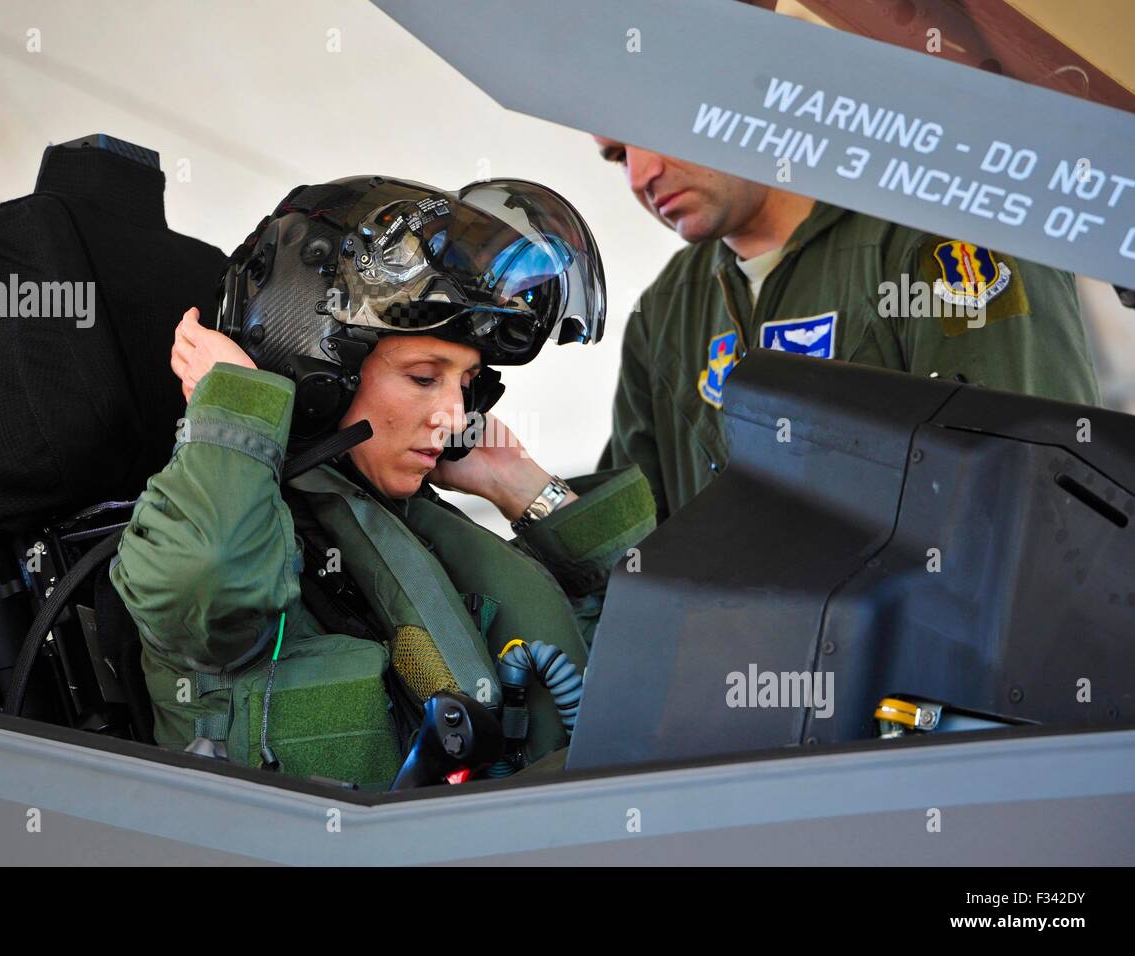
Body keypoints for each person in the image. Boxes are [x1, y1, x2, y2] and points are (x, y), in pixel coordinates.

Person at [109, 175, 655, 789]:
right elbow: (209, 583)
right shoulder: (215, 530)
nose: (455, 415)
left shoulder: (410, 524)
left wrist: (522, 487)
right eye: (425, 377)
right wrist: (235, 411)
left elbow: (648, 659)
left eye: (465, 383)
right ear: (322, 372)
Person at [592, 136, 1101, 523]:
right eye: (617, 155)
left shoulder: (947, 235)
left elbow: (1032, 505)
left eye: (656, 131)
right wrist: (528, 491)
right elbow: (633, 546)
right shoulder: (665, 307)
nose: (641, 175)